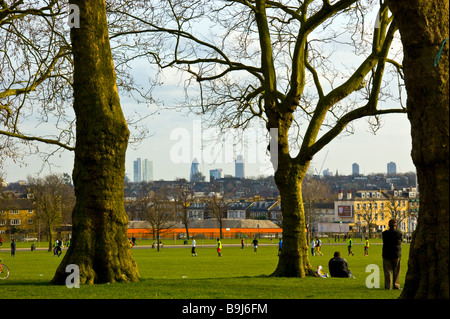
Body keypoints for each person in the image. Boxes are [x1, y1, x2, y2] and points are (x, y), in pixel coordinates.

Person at [382, 219, 402, 290]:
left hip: (386, 253)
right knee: (396, 270)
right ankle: (396, 285)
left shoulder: (384, 233)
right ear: (395, 225)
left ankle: (388, 286)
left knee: (387, 271)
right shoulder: (399, 233)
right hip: (396, 253)